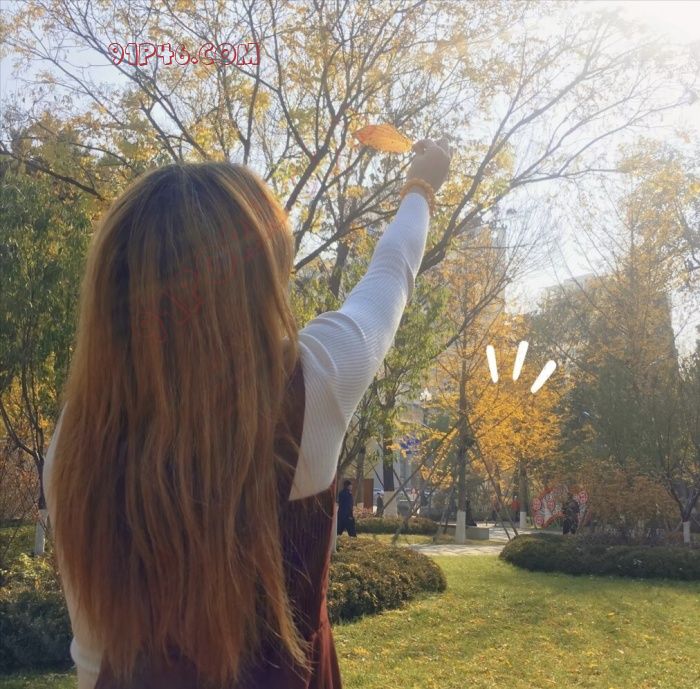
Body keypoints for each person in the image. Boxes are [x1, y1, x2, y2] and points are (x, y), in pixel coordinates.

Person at [42, 138, 452, 688]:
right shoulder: (312, 384)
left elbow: (93, 654)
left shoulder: (77, 436)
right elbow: (391, 275)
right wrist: (420, 188)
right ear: (256, 282)